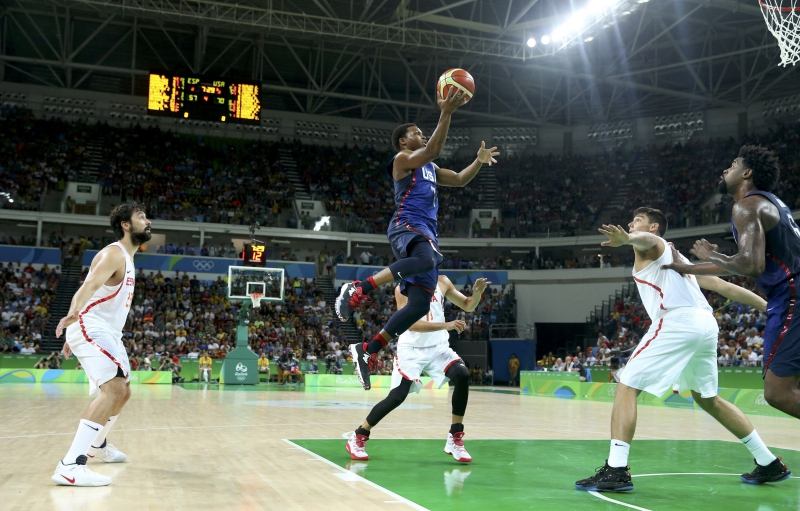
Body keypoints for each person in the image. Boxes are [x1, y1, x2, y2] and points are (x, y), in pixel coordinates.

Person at [575, 208, 790, 493]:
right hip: (705, 324)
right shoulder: (681, 262)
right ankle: (768, 462)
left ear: (653, 227)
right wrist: (768, 308)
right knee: (707, 399)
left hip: (677, 321)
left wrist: (628, 237)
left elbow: (646, 241)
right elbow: (722, 285)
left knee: (626, 383)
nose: (631, 223)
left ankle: (616, 470)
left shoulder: (657, 245)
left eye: (637, 220)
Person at [336, 88, 499, 391]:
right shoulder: (402, 160)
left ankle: (367, 350)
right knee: (425, 260)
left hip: (428, 232)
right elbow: (433, 150)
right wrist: (446, 112)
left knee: (417, 306)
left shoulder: (431, 169)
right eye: (417, 133)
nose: (422, 136)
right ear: (403, 141)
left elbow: (461, 179)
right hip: (407, 225)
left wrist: (478, 161)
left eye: (424, 133)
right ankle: (358, 288)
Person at [662, 146, 800, 420]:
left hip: (791, 295)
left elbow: (750, 265)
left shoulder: (747, 206)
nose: (726, 169)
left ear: (747, 172)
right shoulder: (770, 203)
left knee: (778, 393)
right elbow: (745, 260)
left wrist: (712, 254)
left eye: (734, 164)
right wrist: (687, 267)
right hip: (791, 293)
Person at [52, 203, 151, 487]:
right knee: (114, 389)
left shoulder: (129, 259)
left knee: (124, 392)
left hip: (105, 331)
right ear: (126, 225)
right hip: (91, 325)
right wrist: (73, 318)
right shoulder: (113, 253)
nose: (148, 221)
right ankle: (71, 465)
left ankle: (97, 445)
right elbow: (88, 287)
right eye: (141, 217)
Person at [345, 276, 489, 462]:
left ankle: (455, 437)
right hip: (411, 349)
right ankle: (358, 436)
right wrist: (446, 325)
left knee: (461, 374)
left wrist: (476, 294)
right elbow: (410, 324)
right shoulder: (403, 288)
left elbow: (469, 305)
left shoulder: (443, 281)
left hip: (438, 347)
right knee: (397, 397)